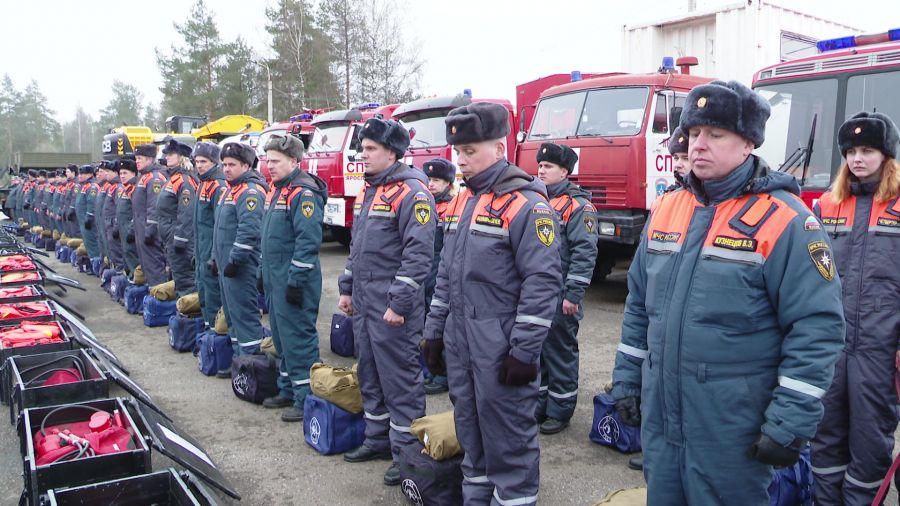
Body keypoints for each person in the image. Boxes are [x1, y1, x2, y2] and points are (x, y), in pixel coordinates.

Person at [611, 80, 846, 505]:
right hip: (663, 419)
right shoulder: (667, 207)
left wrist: (790, 420)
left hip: (731, 426)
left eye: (715, 135)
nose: (699, 145)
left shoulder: (785, 220)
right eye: (694, 134)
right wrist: (627, 379)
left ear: (748, 144)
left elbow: (817, 328)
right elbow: (639, 304)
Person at [422, 102, 562, 505]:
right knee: (471, 435)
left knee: (509, 442)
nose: (462, 161)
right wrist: (434, 333)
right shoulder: (467, 201)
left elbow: (542, 283)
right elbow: (447, 273)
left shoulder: (527, 206)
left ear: (500, 149)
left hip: (500, 347)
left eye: (471, 151)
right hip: (463, 342)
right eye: (458, 152)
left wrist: (524, 351)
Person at [337, 117, 435, 486]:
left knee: (401, 380)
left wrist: (399, 303)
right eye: (362, 149)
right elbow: (356, 247)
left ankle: (407, 453)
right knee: (370, 373)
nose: (363, 155)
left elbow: (418, 256)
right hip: (365, 301)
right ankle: (378, 439)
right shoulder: (370, 191)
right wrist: (347, 287)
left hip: (394, 307)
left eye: (370, 149)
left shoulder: (412, 193)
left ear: (392, 152)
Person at [810, 111, 900, 505]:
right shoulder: (826, 206)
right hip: (831, 347)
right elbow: (809, 278)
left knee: (870, 437)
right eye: (850, 151)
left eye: (867, 150)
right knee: (825, 432)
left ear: (886, 155)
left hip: (880, 349)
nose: (857, 159)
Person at [259, 134, 327, 423]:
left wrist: (296, 280)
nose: (269, 166)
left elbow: (307, 241)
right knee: (281, 337)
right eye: (267, 160)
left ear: (295, 161)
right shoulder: (277, 190)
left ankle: (305, 397)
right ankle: (288, 388)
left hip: (295, 281)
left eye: (275, 161)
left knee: (298, 338)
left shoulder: (303, 193)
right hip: (277, 280)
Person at [534, 142, 598, 435]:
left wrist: (573, 294)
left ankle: (560, 409)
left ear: (564, 171)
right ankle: (541, 403)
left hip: (561, 294)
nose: (541, 170)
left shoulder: (578, 206)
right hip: (538, 292)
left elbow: (585, 252)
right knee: (538, 350)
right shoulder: (538, 200)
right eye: (540, 166)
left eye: (548, 167)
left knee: (560, 351)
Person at [212, 142, 267, 371]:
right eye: (224, 164)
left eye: (232, 165)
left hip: (240, 266)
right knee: (232, 316)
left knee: (244, 316)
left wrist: (235, 260)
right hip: (226, 265)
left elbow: (249, 230)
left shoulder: (250, 192)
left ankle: (251, 365)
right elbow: (220, 229)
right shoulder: (230, 189)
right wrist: (214, 258)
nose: (226, 169)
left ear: (246, 165)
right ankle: (238, 363)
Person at [421, 157, 456, 396]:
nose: (431, 184)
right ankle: (431, 368)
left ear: (448, 184)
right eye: (429, 180)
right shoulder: (425, 204)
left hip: (440, 273)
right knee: (426, 323)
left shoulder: (452, 207)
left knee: (441, 325)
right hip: (424, 272)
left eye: (436, 180)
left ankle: (443, 374)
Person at [192, 142, 228, 329]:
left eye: (204, 161)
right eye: (197, 161)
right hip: (201, 251)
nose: (199, 165)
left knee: (213, 294)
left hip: (211, 253)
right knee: (203, 293)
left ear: (214, 162)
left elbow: (218, 226)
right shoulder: (203, 183)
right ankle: (208, 330)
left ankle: (215, 333)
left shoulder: (218, 186)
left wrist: (214, 257)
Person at [157, 139, 198, 296]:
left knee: (185, 279)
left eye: (171, 154)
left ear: (182, 157)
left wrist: (180, 239)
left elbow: (186, 212)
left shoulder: (184, 181)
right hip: (171, 238)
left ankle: (190, 315)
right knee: (179, 277)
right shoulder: (173, 178)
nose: (167, 156)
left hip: (180, 240)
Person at [132, 144, 168, 286]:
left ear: (149, 159)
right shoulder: (144, 176)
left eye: (139, 158)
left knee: (154, 267)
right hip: (141, 230)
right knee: (147, 266)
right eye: (136, 158)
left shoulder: (155, 178)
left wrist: (150, 230)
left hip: (150, 233)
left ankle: (158, 294)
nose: (137, 161)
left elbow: (154, 206)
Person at [115, 159, 141, 278]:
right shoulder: (124, 188)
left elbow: (138, 211)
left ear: (134, 173)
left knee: (134, 257)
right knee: (126, 255)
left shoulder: (135, 188)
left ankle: (137, 279)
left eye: (125, 173)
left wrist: (132, 229)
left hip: (132, 231)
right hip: (123, 230)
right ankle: (131, 277)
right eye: (120, 173)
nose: (122, 176)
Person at [75, 165, 101, 262]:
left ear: (90, 174)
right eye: (79, 174)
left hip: (89, 222)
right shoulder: (84, 186)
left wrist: (89, 216)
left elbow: (92, 203)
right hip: (83, 221)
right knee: (88, 244)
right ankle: (92, 262)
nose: (80, 176)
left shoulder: (92, 187)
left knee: (92, 244)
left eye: (83, 174)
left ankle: (96, 263)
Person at [101, 162, 125, 272]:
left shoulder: (118, 188)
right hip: (108, 225)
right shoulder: (112, 187)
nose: (105, 174)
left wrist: (116, 226)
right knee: (112, 250)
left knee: (117, 252)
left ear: (116, 173)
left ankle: (120, 273)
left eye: (108, 172)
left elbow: (119, 209)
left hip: (113, 225)